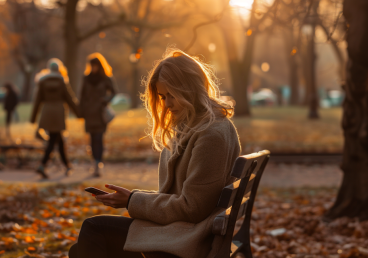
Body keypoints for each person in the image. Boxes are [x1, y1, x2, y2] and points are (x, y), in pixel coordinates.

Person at [68, 49, 241, 258]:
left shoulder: (210, 134)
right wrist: (132, 198)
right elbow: (186, 200)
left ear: (190, 89)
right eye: (162, 96)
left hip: (189, 240)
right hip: (183, 231)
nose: (166, 104)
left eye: (172, 95)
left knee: (93, 228)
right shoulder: (202, 125)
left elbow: (192, 207)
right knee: (79, 251)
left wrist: (132, 200)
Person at [30, 58, 80, 179]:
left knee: (57, 139)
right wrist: (79, 113)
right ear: (59, 69)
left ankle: (67, 165)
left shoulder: (43, 82)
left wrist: (33, 117)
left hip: (47, 113)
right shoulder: (62, 81)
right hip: (58, 113)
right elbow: (69, 98)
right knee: (53, 140)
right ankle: (43, 164)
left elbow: (37, 101)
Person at [79, 53, 116, 177]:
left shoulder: (105, 78)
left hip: (100, 114)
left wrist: (105, 100)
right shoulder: (86, 78)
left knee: (99, 139)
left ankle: (98, 163)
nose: (93, 68)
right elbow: (82, 96)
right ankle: (95, 162)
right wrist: (81, 111)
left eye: (95, 65)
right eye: (92, 65)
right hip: (89, 113)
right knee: (91, 139)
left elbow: (114, 92)